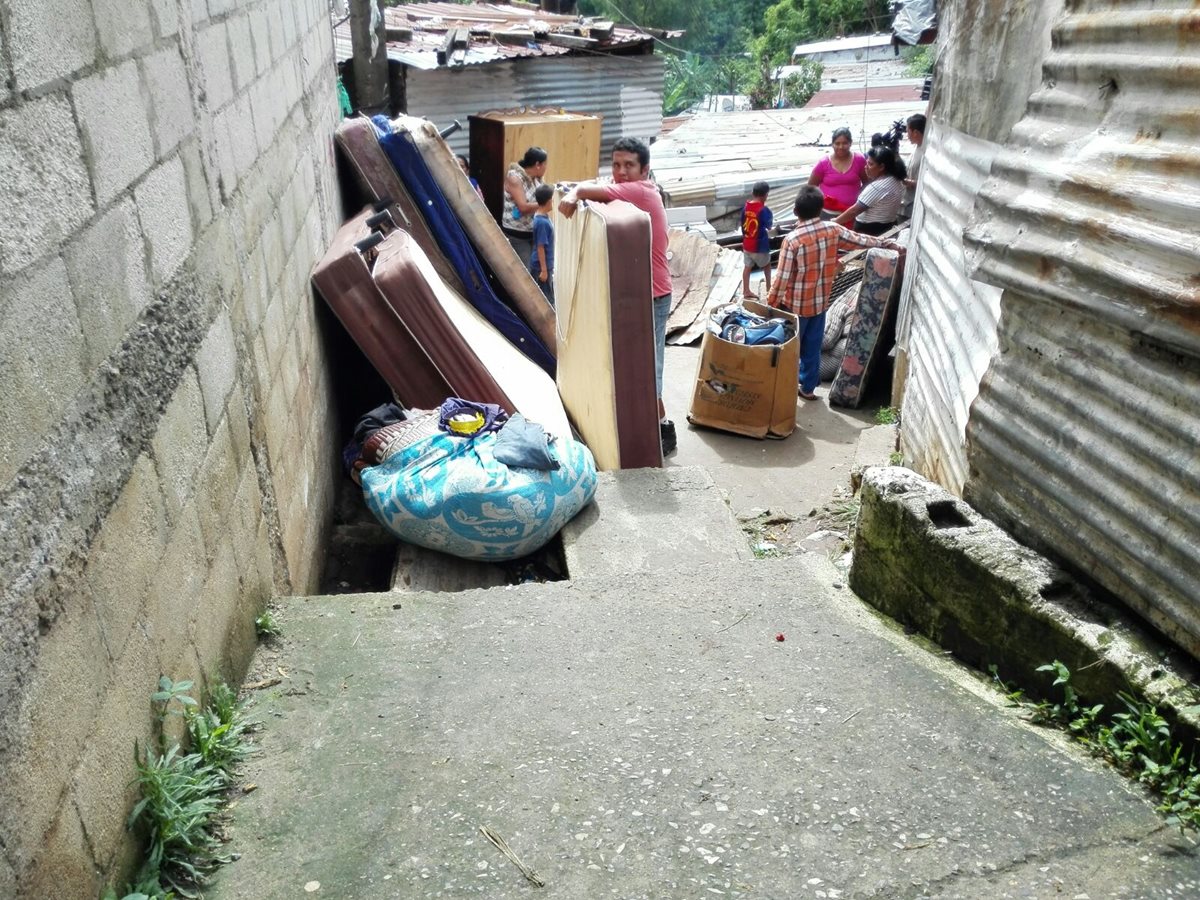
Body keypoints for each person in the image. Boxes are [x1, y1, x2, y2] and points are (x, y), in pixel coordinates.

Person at [558, 137, 676, 456]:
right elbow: (598, 185)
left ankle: (662, 428)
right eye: (616, 164)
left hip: (652, 294)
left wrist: (576, 192)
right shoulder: (624, 187)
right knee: (633, 366)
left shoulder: (642, 191)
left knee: (649, 368)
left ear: (645, 170)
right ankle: (655, 426)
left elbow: (587, 190)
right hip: (633, 292)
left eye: (629, 166)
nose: (621, 172)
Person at [767, 185, 902, 401]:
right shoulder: (832, 229)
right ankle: (808, 389)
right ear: (821, 208)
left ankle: (783, 387)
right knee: (812, 349)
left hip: (794, 308)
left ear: (795, 211)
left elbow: (781, 280)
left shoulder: (792, 240)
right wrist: (887, 242)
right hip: (820, 304)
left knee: (789, 349)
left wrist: (770, 305)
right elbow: (861, 240)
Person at [832, 146, 907, 236]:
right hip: (888, 225)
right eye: (866, 163)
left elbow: (854, 211)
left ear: (881, 167)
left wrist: (835, 221)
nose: (866, 167)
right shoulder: (896, 179)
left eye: (870, 164)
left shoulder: (878, 187)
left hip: (870, 230)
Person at [807, 127, 867, 218]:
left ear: (850, 143)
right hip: (827, 214)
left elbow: (867, 183)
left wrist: (859, 201)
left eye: (845, 143)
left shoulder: (859, 160)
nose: (841, 147)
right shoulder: (823, 163)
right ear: (832, 144)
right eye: (837, 143)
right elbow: (810, 187)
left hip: (853, 214)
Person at [503, 147, 548, 262]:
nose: (546, 168)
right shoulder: (515, 178)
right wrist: (546, 203)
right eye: (545, 164)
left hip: (531, 231)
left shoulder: (537, 178)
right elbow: (523, 207)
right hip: (517, 234)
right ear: (538, 165)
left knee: (536, 268)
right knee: (526, 273)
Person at [740, 181, 774, 300]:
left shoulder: (745, 207)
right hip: (759, 245)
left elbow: (742, 225)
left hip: (747, 244)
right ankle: (769, 290)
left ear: (752, 193)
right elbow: (769, 226)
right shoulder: (764, 210)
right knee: (767, 266)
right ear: (765, 195)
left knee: (747, 267)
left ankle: (746, 290)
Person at [529, 183, 555, 306]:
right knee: (547, 300)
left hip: (544, 265)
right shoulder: (542, 223)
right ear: (549, 201)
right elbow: (540, 247)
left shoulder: (541, 216)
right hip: (541, 267)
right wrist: (544, 270)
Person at [901, 113, 926, 220]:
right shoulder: (916, 147)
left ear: (915, 132)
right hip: (906, 202)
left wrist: (910, 183)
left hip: (915, 205)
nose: (907, 135)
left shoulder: (927, 152)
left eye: (908, 131)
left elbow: (926, 182)